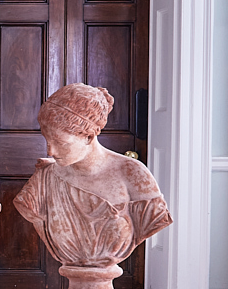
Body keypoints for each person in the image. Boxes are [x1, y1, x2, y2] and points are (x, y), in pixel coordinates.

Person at [14, 83, 171, 269]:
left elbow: (154, 220)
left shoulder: (133, 175)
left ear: (89, 137)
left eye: (60, 143)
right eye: (47, 140)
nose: (50, 151)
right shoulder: (43, 181)